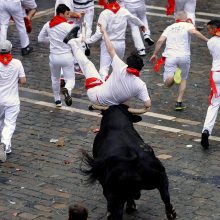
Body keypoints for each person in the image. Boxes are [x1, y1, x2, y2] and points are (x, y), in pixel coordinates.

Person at [63, 23, 151, 109]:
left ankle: (71, 42)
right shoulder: (141, 85)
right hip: (110, 104)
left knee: (88, 65)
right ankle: (77, 42)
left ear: (128, 64)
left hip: (95, 96)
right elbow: (147, 104)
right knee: (105, 78)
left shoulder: (122, 67)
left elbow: (110, 49)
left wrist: (104, 32)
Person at [149, 11, 208, 111]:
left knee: (167, 83)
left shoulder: (170, 27)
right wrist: (207, 40)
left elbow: (159, 41)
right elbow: (194, 32)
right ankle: (179, 102)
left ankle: (174, 76)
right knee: (183, 79)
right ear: (186, 18)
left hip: (171, 56)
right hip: (184, 56)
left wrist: (155, 54)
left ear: (175, 18)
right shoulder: (188, 25)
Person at [85, 0, 145, 80]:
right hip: (121, 44)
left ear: (106, 1)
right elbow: (134, 19)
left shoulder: (104, 13)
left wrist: (87, 41)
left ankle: (103, 86)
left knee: (104, 69)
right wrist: (141, 25)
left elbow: (99, 33)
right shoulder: (124, 11)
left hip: (107, 44)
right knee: (117, 68)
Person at [38, 4, 78, 107]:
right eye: (67, 14)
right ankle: (67, 89)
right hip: (66, 57)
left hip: (54, 57)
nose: (69, 16)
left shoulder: (48, 24)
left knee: (55, 78)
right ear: (61, 14)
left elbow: (40, 39)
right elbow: (74, 42)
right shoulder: (68, 26)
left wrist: (51, 41)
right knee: (70, 80)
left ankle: (57, 100)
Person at [0, 40, 26, 163]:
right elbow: (23, 81)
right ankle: (4, 143)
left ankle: (7, 147)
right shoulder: (17, 63)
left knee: (1, 122)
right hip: (12, 100)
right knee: (9, 123)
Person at [201, 20, 220, 149]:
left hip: (216, 74)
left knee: (214, 104)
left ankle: (206, 130)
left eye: (209, 29)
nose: (208, 32)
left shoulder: (210, 42)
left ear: (214, 29)